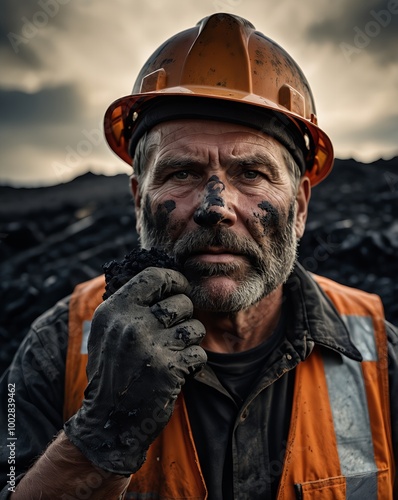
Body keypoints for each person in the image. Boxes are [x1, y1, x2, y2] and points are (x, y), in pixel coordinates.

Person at [0, 12, 397, 499]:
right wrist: (100, 434)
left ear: (299, 207)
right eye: (182, 172)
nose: (216, 208)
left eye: (251, 172)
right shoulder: (57, 348)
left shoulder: (381, 353)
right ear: (137, 199)